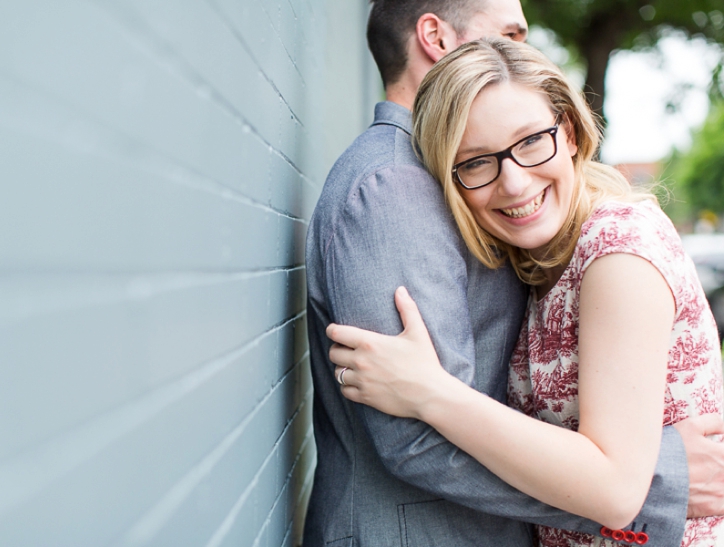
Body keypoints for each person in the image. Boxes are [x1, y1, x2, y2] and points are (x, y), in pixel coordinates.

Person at [304, 1, 724, 546]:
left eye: (532, 141)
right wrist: (663, 477)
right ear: (435, 37)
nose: (515, 182)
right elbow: (417, 440)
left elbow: (613, 482)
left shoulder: (612, 247)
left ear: (568, 132)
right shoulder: (396, 186)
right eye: (477, 162)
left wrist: (646, 477)